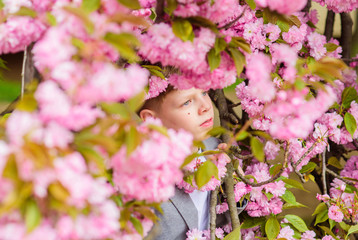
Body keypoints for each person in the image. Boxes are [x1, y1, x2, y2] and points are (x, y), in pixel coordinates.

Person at [139, 77, 246, 239]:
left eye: (204, 92)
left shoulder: (215, 147)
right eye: (187, 102)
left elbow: (218, 217)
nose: (205, 107)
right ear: (151, 119)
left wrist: (237, 181)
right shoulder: (142, 179)